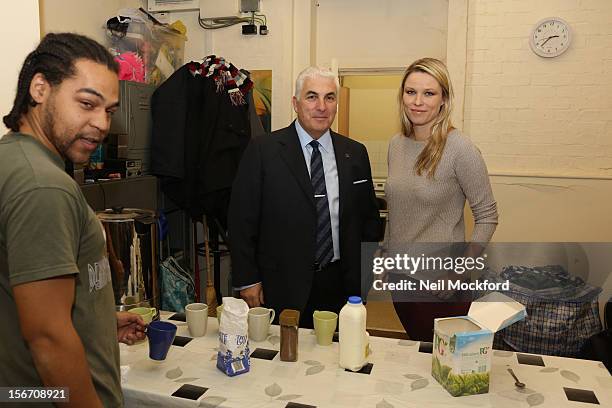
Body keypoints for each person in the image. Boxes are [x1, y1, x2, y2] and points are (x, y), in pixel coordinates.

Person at [0, 33, 146, 407]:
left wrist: (96, 324)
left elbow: (25, 300)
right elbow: (48, 337)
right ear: (39, 89)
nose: (100, 124)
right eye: (86, 103)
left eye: (109, 111)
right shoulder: (43, 186)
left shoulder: (13, 161)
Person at [229, 66, 382, 328]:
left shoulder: (355, 153)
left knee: (337, 359)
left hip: (340, 285)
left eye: (329, 97)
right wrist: (248, 279)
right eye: (312, 97)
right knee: (280, 361)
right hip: (279, 284)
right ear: (295, 103)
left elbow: (368, 223)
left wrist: (364, 280)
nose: (321, 106)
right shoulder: (263, 151)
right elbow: (241, 220)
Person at [385, 57, 498, 341]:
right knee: (419, 353)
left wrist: (460, 272)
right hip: (402, 279)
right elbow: (397, 209)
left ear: (444, 100)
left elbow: (487, 216)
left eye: (429, 93)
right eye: (411, 92)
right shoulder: (396, 145)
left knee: (446, 364)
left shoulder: (460, 148)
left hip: (440, 284)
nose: (418, 101)